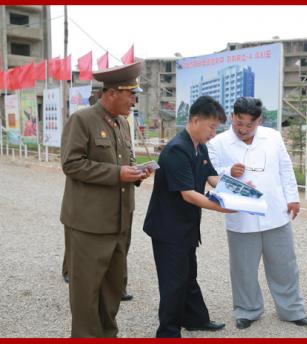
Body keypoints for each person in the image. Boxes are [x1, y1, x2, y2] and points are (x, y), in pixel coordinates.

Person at [60, 61, 152, 337]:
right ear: (112, 93)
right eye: (131, 94)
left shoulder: (122, 124)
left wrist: (136, 172)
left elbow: (126, 160)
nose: (134, 100)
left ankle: (107, 334)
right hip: (89, 224)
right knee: (86, 290)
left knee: (113, 287)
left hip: (119, 221)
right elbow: (71, 164)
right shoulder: (82, 120)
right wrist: (116, 174)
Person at [207, 97, 307, 330]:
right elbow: (211, 174)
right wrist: (228, 171)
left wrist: (293, 198)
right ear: (232, 116)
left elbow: (285, 167)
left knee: (285, 264)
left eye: (249, 125)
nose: (243, 129)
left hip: (276, 211)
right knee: (243, 267)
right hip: (241, 215)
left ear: (259, 121)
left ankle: (292, 309)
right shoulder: (218, 143)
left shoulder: (272, 137)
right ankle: (247, 309)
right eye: (238, 123)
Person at [143, 95, 231, 338]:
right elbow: (189, 194)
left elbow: (212, 177)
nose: (214, 132)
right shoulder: (176, 150)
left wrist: (239, 190)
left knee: (188, 274)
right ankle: (168, 331)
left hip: (187, 226)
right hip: (168, 228)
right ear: (195, 120)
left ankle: (195, 319)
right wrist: (222, 206)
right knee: (173, 281)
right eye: (212, 126)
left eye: (216, 127)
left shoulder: (199, 146)